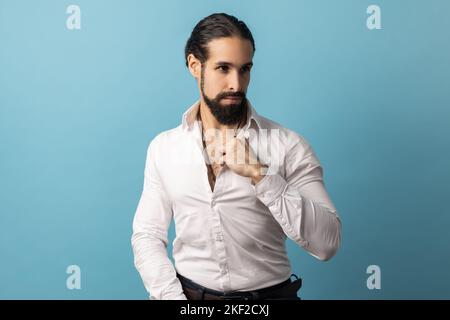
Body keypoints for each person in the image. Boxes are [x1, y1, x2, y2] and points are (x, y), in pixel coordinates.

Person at [131, 13, 341, 300]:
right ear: (195, 66)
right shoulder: (164, 148)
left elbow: (327, 243)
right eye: (223, 68)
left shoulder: (288, 145)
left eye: (245, 69)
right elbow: (147, 236)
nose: (236, 84)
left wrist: (262, 175)